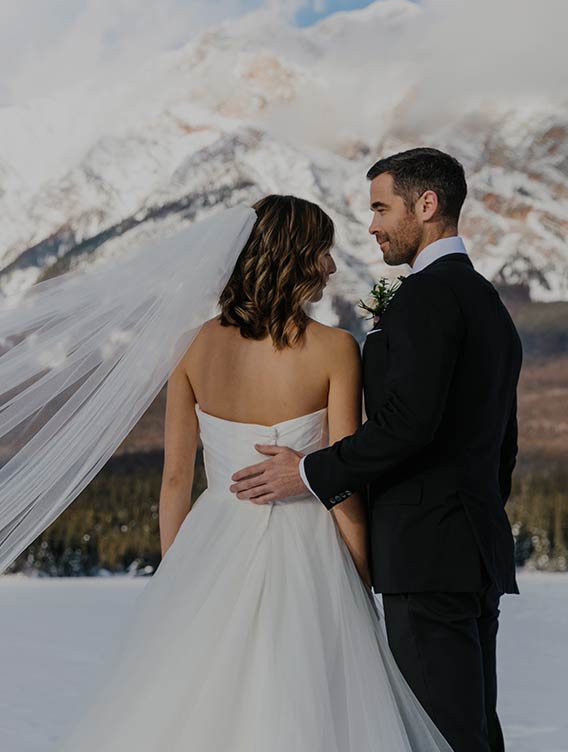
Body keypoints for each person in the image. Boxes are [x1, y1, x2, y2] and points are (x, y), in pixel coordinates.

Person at [49, 194, 453, 751]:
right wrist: (362, 573)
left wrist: (179, 576)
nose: (332, 267)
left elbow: (174, 482)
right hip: (311, 551)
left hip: (212, 545)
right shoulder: (336, 350)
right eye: (323, 252)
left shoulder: (189, 346)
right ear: (294, 258)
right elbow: (341, 483)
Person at [231, 151, 523, 752]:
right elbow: (503, 441)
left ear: (426, 205)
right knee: (471, 729)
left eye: (381, 208)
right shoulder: (486, 301)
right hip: (472, 548)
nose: (372, 226)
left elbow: (407, 423)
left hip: (424, 553)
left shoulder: (426, 297)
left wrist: (310, 471)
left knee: (441, 735)